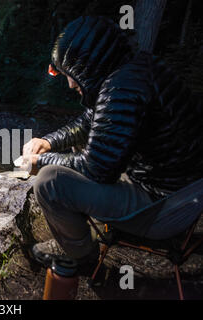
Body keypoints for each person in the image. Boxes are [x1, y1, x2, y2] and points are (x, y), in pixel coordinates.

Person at [22, 16, 203, 273]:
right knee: (77, 151)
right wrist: (48, 142)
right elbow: (89, 122)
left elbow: (96, 169)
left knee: (49, 182)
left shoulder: (124, 88)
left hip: (161, 207)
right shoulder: (134, 71)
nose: (71, 83)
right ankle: (83, 234)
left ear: (89, 64)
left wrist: (40, 162)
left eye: (71, 74)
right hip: (181, 193)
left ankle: (81, 256)